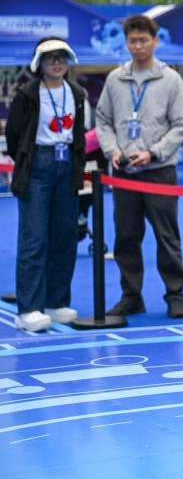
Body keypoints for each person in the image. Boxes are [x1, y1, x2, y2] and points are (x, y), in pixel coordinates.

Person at [96, 15, 183, 319]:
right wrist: (112, 151)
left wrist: (153, 153)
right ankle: (131, 296)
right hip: (124, 173)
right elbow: (102, 121)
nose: (137, 46)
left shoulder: (170, 79)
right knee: (125, 237)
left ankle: (175, 295)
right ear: (126, 43)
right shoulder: (115, 79)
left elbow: (180, 125)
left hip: (159, 171)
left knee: (167, 236)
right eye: (132, 41)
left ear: (155, 41)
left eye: (143, 40)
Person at [7, 37, 87, 331]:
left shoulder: (76, 93)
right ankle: (28, 308)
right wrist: (31, 161)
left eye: (61, 57)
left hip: (67, 167)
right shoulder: (28, 94)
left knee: (65, 235)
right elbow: (15, 136)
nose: (56, 63)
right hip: (37, 166)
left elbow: (79, 134)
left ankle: (56, 301)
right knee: (35, 238)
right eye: (50, 58)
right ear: (39, 63)